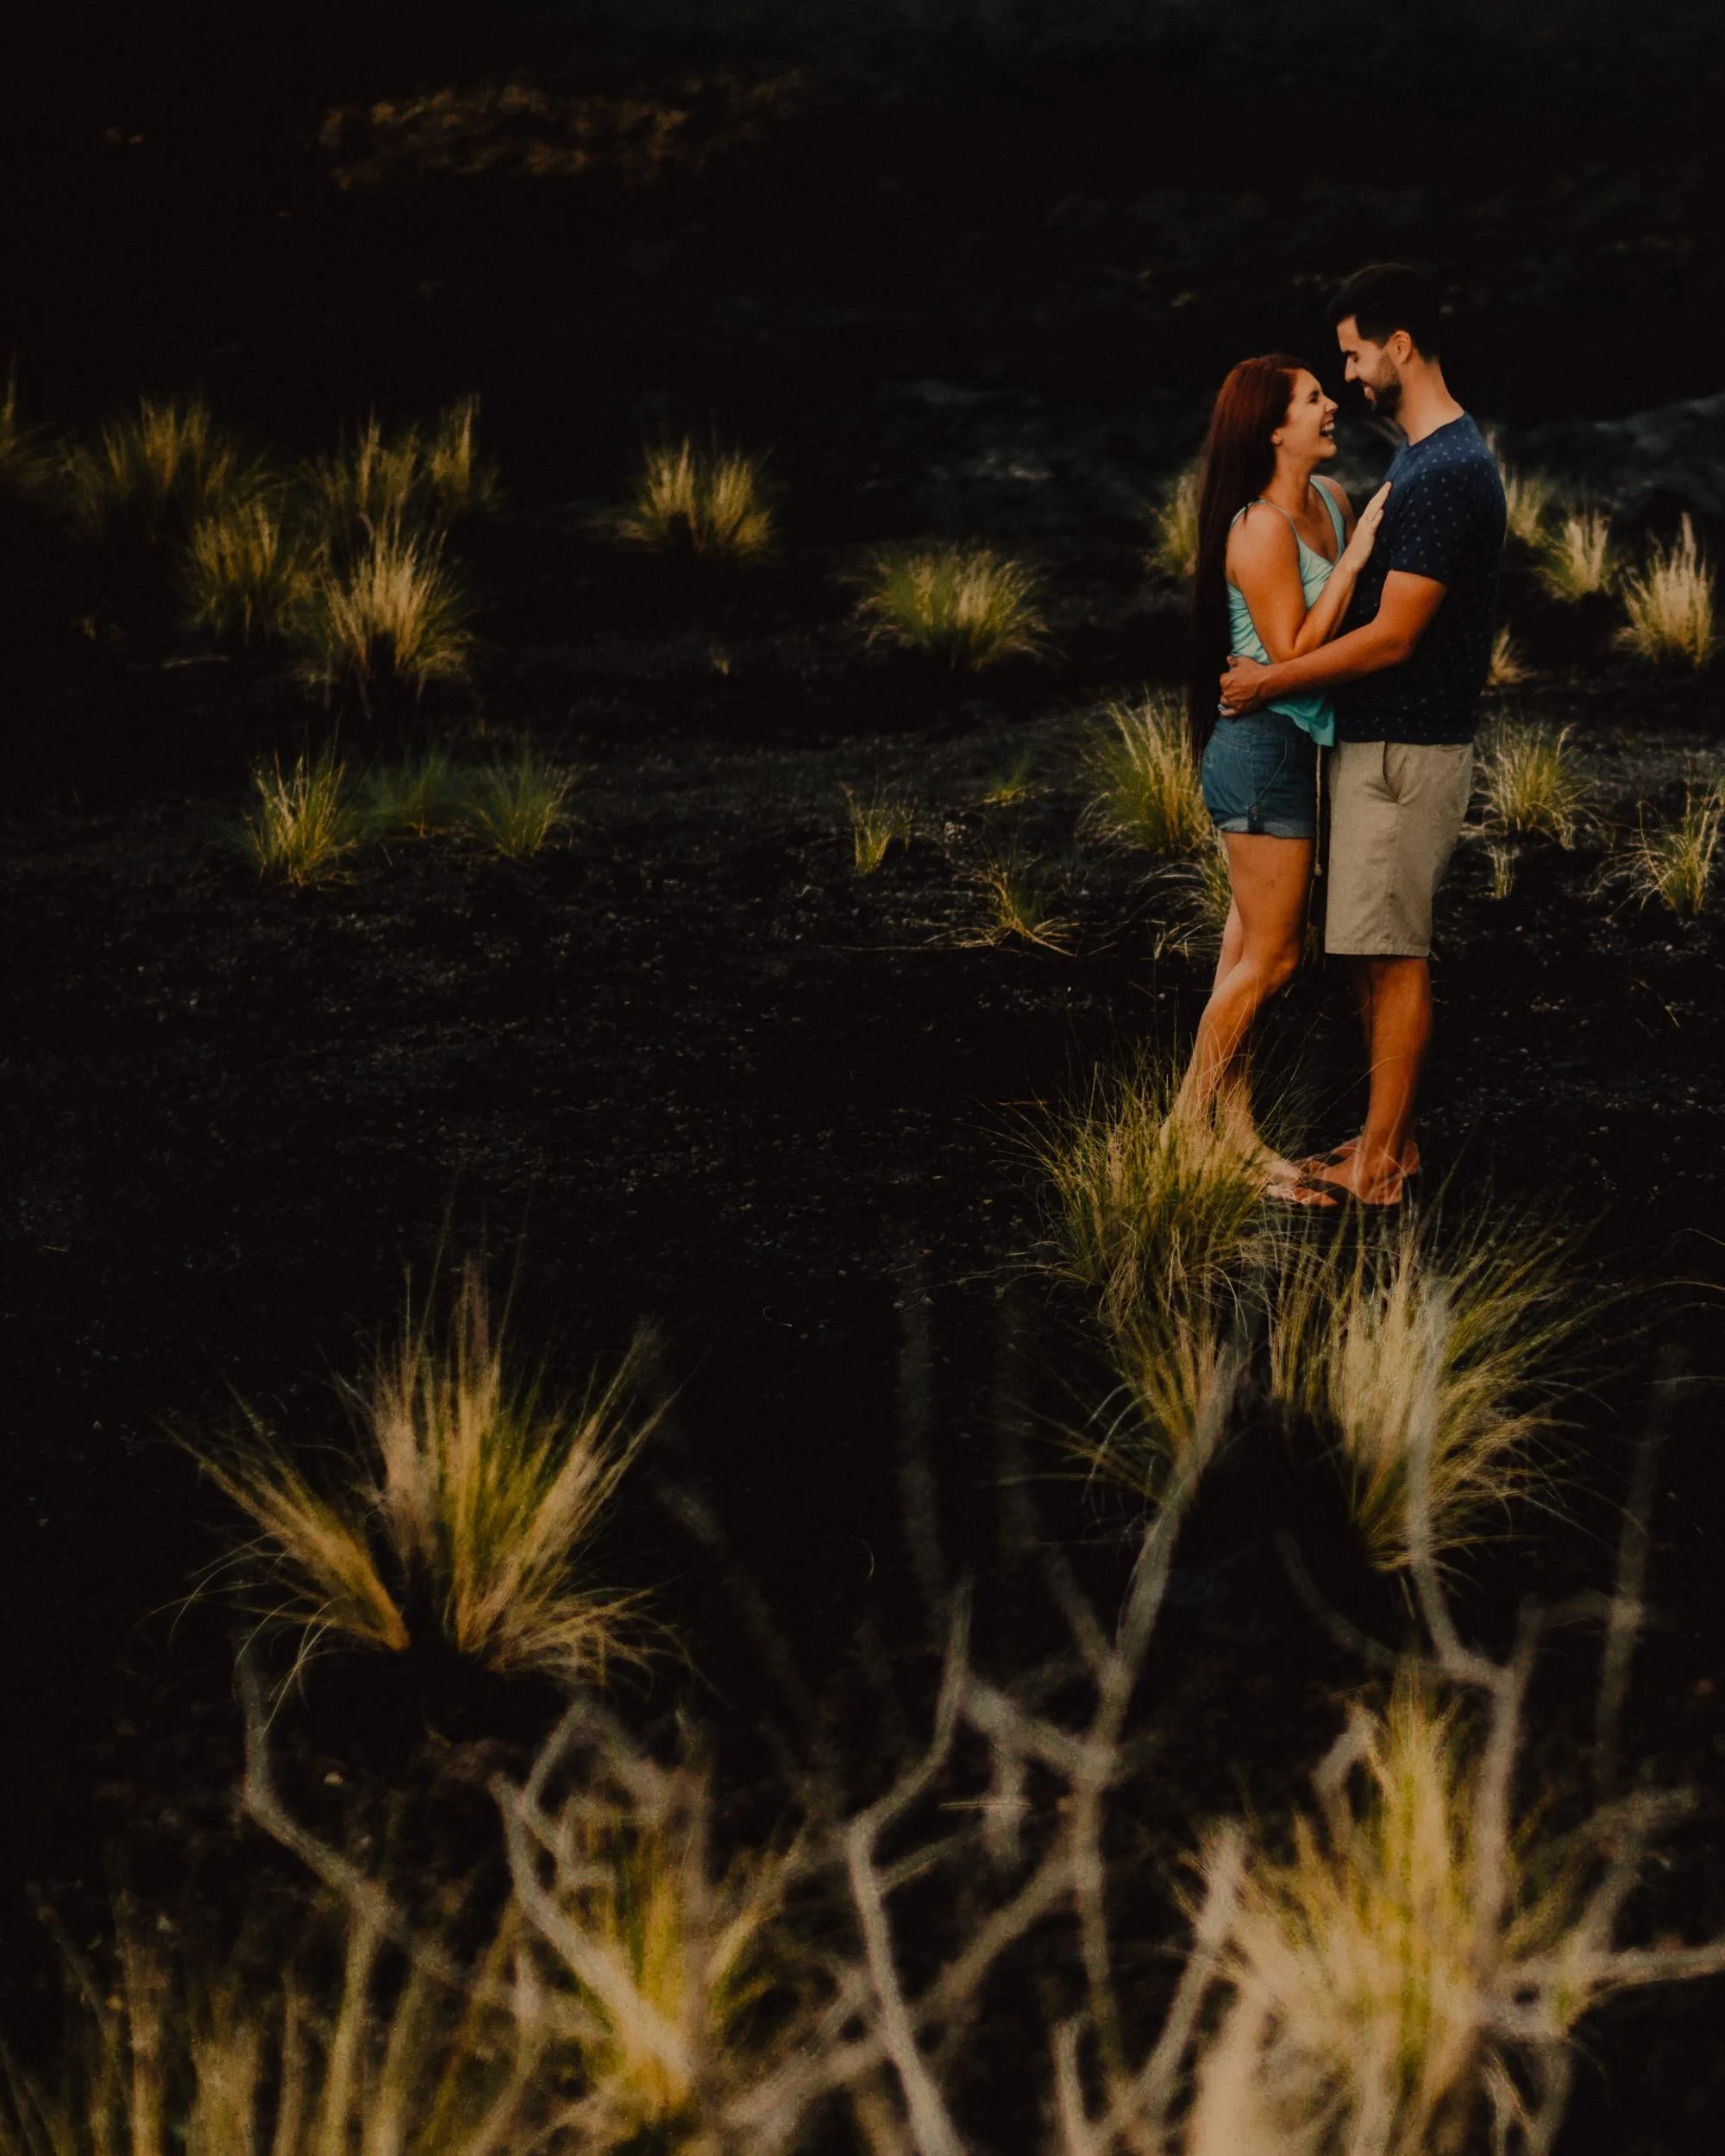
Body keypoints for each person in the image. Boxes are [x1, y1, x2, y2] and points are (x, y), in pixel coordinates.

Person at [1217, 264, 1507, 1208]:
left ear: (1399, 345)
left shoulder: (1443, 471)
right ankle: (1387, 1141)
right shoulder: (1417, 466)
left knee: (1390, 955)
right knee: (1365, 951)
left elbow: (1390, 638)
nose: (1346, 378)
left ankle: (1379, 1166)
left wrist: (1265, 679)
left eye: (1351, 354)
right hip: (1371, 745)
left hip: (1405, 747)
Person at [1176, 354, 1389, 1204]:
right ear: (1271, 427)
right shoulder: (1258, 527)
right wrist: (1357, 555)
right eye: (1310, 398)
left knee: (1244, 953)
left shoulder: (1329, 502)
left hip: (1293, 756)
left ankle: (1233, 1135)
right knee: (1271, 958)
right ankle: (1184, 1130)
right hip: (1257, 756)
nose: (1328, 404)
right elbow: (1296, 651)